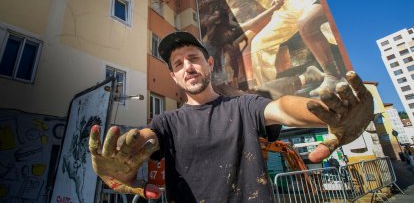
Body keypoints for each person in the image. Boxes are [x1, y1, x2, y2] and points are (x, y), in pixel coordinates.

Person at [89, 31, 374, 202]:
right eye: (178, 64)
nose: (187, 66)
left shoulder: (244, 107)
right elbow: (143, 142)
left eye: (194, 58)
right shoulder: (166, 123)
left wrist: (332, 113)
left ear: (209, 64)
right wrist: (120, 169)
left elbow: (282, 107)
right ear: (174, 77)